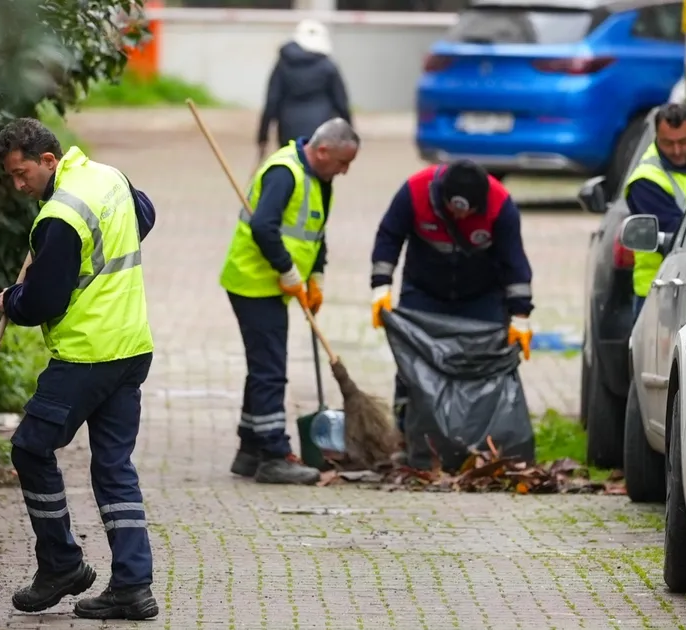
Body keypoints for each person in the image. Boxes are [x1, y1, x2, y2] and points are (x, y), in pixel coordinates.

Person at [0, 118, 159, 620]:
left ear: (48, 161)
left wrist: (12, 299)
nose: (20, 186)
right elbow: (145, 215)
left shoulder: (60, 215)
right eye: (12, 178)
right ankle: (133, 586)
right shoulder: (108, 178)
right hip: (131, 347)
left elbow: (42, 301)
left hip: (89, 354)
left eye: (23, 174)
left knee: (30, 448)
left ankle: (61, 563)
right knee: (113, 467)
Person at [220, 117, 360, 485]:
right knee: (270, 371)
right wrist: (287, 270)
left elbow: (315, 231)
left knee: (262, 367)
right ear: (323, 150)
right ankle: (273, 455)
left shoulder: (320, 179)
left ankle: (249, 450)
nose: (345, 172)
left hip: (273, 284)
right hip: (254, 282)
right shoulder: (285, 172)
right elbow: (263, 226)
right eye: (343, 163)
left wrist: (316, 276)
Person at [369, 159, 534, 437]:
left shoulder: (500, 205)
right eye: (454, 211)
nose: (460, 218)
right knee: (414, 364)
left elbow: (513, 261)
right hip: (424, 291)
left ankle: (482, 435)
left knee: (484, 365)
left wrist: (520, 316)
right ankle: (408, 432)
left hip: (481, 294)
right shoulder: (415, 191)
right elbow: (389, 235)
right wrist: (381, 286)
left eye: (468, 212)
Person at [625, 104, 686, 317]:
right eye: (668, 143)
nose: (677, 150)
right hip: (659, 290)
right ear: (656, 137)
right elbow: (681, 239)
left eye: (684, 142)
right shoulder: (647, 179)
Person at [256, 19, 353, 162]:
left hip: (288, 129)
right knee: (319, 172)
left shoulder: (283, 64)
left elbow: (272, 100)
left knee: (290, 169)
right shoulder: (328, 66)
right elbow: (341, 102)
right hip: (321, 131)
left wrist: (262, 135)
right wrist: (349, 133)